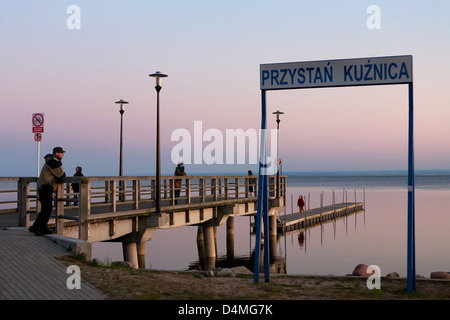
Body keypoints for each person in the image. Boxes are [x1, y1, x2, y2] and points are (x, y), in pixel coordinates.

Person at [29, 146, 66, 236]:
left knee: (46, 209)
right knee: (47, 209)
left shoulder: (51, 161)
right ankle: (36, 227)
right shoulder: (53, 162)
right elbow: (61, 174)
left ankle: (41, 228)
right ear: (57, 153)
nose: (63, 154)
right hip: (46, 188)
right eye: (61, 153)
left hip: (44, 188)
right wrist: (62, 172)